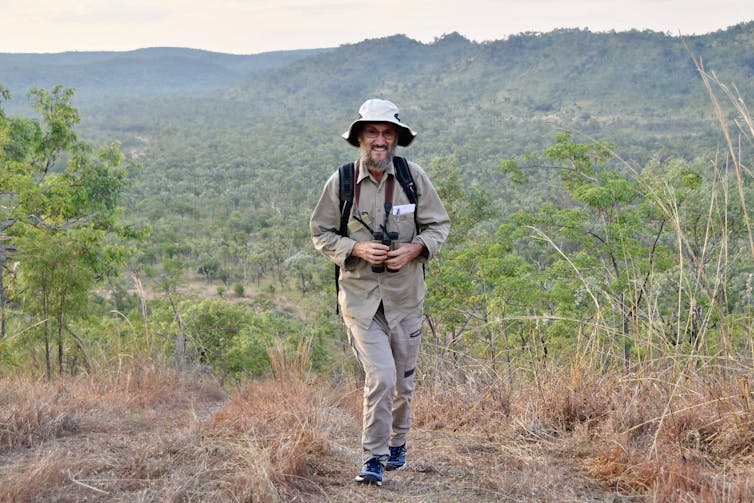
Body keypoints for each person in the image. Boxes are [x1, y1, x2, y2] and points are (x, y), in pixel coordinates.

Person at [310, 99, 450, 486]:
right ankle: (373, 456)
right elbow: (320, 233)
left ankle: (398, 444)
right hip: (361, 301)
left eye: (387, 133)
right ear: (359, 137)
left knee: (404, 380)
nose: (380, 140)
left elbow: (439, 225)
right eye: (372, 132)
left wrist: (415, 249)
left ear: (397, 139)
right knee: (383, 377)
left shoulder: (413, 177)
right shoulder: (340, 182)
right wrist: (354, 248)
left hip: (405, 298)